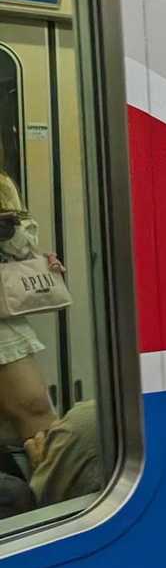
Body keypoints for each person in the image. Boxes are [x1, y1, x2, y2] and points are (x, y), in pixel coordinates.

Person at [0, 172, 66, 450]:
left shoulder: (1, 184)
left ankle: (50, 473)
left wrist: (8, 228)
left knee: (35, 409)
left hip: (3, 321)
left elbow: (24, 246)